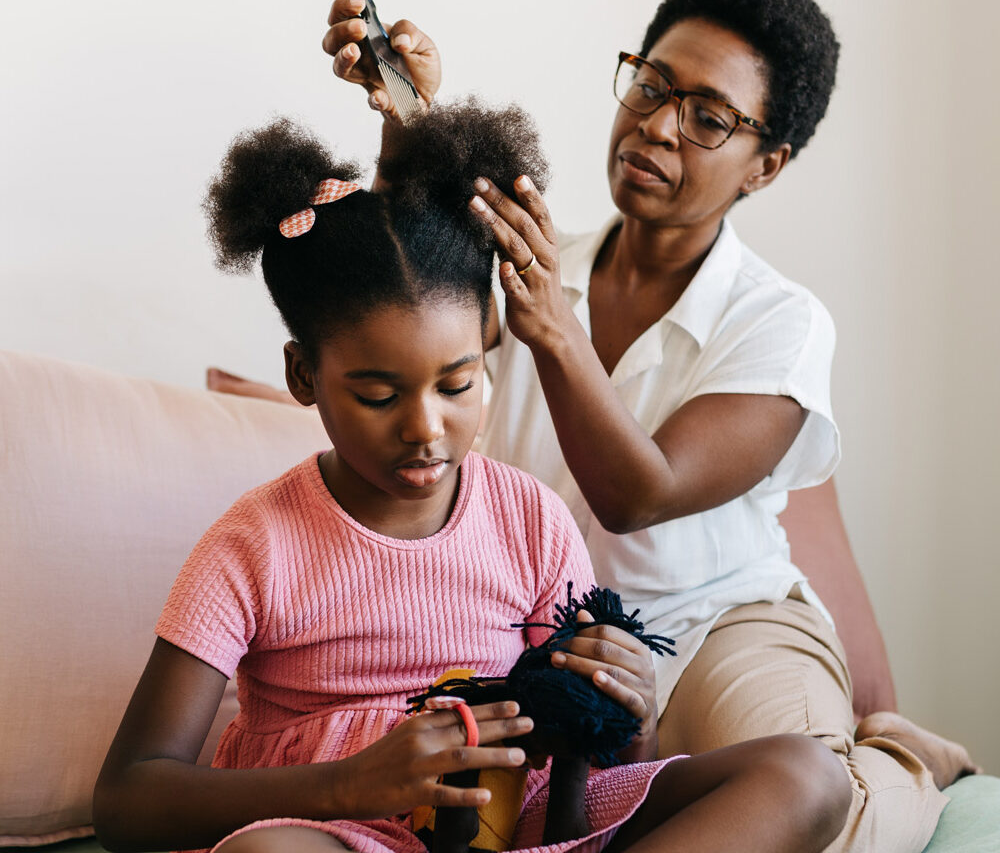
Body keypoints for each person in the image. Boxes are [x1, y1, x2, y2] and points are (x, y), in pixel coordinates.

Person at [321, 0, 977, 852]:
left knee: (817, 804)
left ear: (765, 166)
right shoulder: (539, 264)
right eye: (652, 85)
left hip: (716, 625)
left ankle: (901, 756)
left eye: (709, 118)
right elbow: (412, 301)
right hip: (536, 635)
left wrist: (552, 327)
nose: (658, 126)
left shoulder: (780, 322)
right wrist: (406, 128)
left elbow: (642, 494)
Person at [92, 99, 851, 853]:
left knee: (808, 775)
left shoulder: (529, 519)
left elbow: (585, 770)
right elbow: (129, 799)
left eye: (457, 386)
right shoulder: (252, 545)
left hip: (522, 827)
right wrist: (353, 783)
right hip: (336, 831)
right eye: (379, 396)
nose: (426, 428)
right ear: (304, 376)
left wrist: (630, 713)